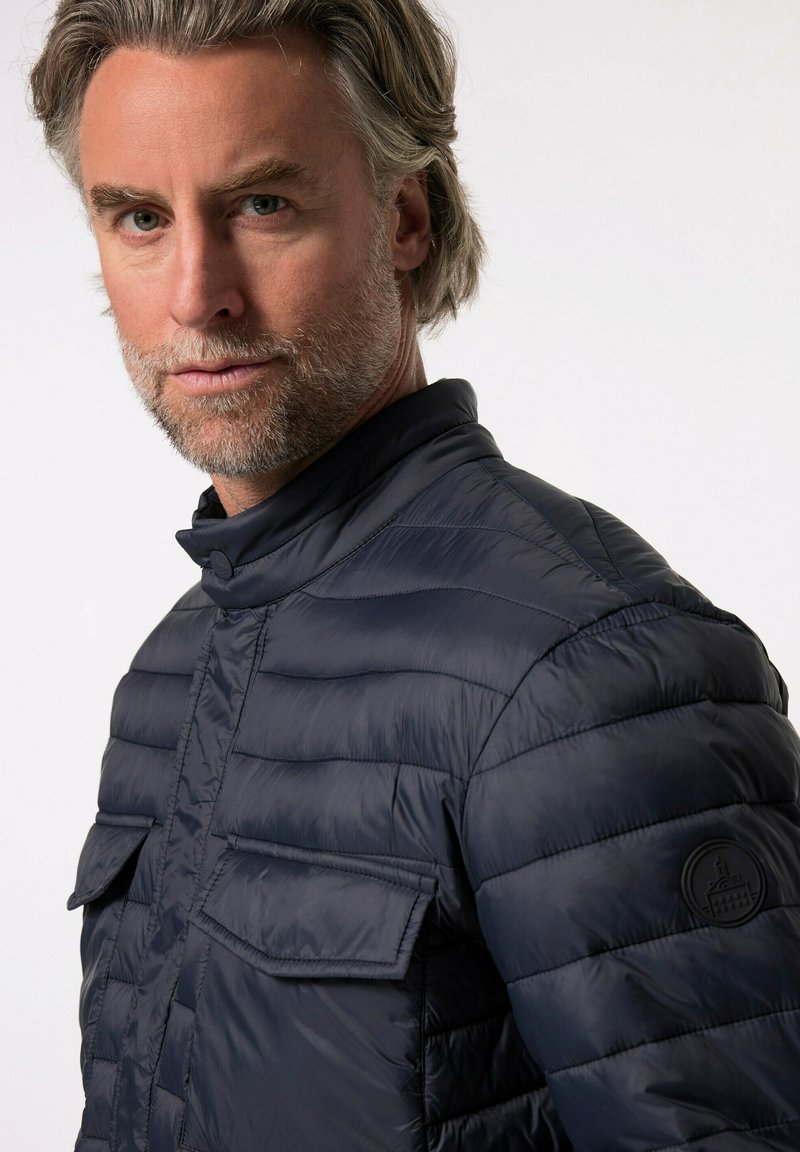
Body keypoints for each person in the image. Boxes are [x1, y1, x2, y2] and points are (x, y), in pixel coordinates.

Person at [30, 2, 800, 1150]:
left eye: (261, 204)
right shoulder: (168, 674)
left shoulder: (586, 680)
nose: (196, 295)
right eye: (140, 217)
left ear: (404, 216)